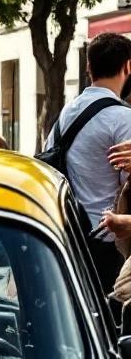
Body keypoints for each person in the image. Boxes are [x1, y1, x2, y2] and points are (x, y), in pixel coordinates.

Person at [45, 33, 131, 293]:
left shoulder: (65, 115)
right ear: (128, 66)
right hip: (107, 243)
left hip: (66, 238)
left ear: (88, 67)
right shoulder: (123, 118)